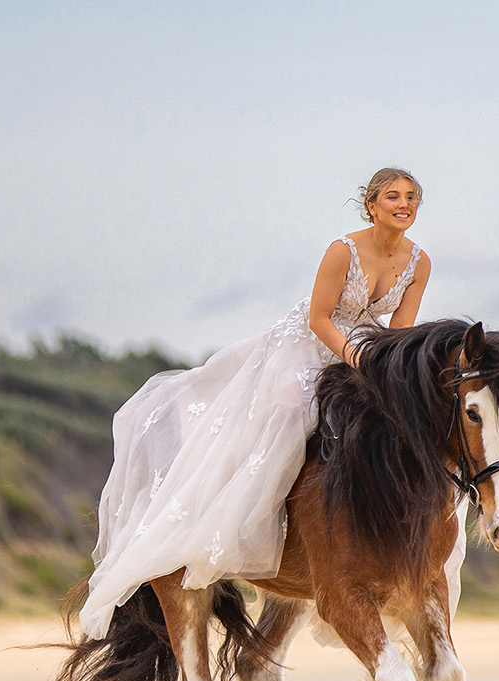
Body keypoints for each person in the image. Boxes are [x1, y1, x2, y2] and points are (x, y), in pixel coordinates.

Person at [78, 168, 462, 639]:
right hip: (309, 344)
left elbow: (400, 330)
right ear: (371, 204)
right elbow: (320, 317)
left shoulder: (418, 262)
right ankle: (256, 516)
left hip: (370, 353)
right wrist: (352, 355)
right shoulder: (343, 250)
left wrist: (387, 373)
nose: (403, 205)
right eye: (392, 197)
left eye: (411, 198)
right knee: (286, 409)